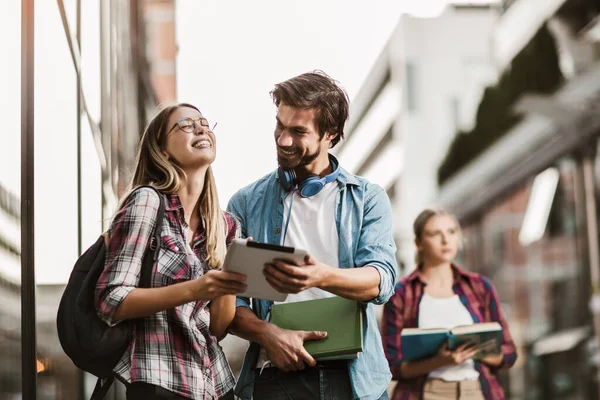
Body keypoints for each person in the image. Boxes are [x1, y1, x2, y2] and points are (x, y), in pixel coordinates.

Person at [226, 70, 398, 400]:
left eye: (298, 131)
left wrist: (319, 276)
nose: (283, 140)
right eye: (280, 125)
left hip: (353, 380)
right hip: (276, 378)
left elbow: (381, 281)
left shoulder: (367, 199)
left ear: (330, 134)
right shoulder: (245, 203)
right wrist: (269, 334)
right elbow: (229, 301)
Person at [95, 103, 248, 400]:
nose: (201, 128)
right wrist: (195, 289)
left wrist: (232, 280)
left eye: (204, 123)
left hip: (213, 384)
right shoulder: (147, 202)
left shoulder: (225, 225)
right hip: (159, 380)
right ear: (162, 150)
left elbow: (217, 327)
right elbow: (110, 300)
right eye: (187, 125)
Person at [381, 208, 517, 400]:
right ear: (419, 243)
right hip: (426, 393)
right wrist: (440, 361)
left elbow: (509, 353)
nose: (445, 240)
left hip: (477, 390)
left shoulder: (480, 287)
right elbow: (391, 365)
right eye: (435, 234)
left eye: (451, 232)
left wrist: (475, 351)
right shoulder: (401, 293)